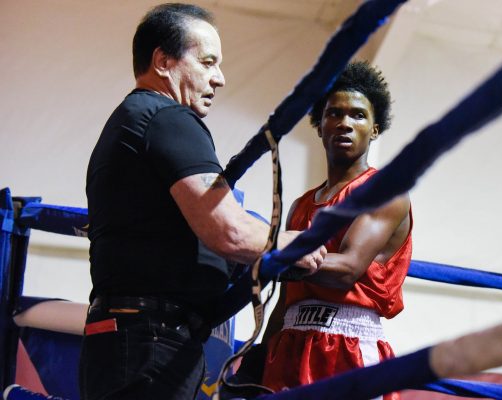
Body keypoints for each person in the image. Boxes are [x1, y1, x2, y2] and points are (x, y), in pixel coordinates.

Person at [80, 4, 325, 400]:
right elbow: (226, 229)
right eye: (208, 62)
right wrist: (292, 243)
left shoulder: (130, 120)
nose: (220, 78)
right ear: (163, 61)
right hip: (149, 342)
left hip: (132, 339)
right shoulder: (167, 118)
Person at [259, 61, 412, 400]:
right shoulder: (301, 205)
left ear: (374, 129)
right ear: (319, 125)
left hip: (349, 347)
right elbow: (287, 298)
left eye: (357, 115)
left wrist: (261, 254)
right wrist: (260, 353)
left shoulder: (384, 191)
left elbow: (346, 269)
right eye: (334, 113)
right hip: (290, 343)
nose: (344, 122)